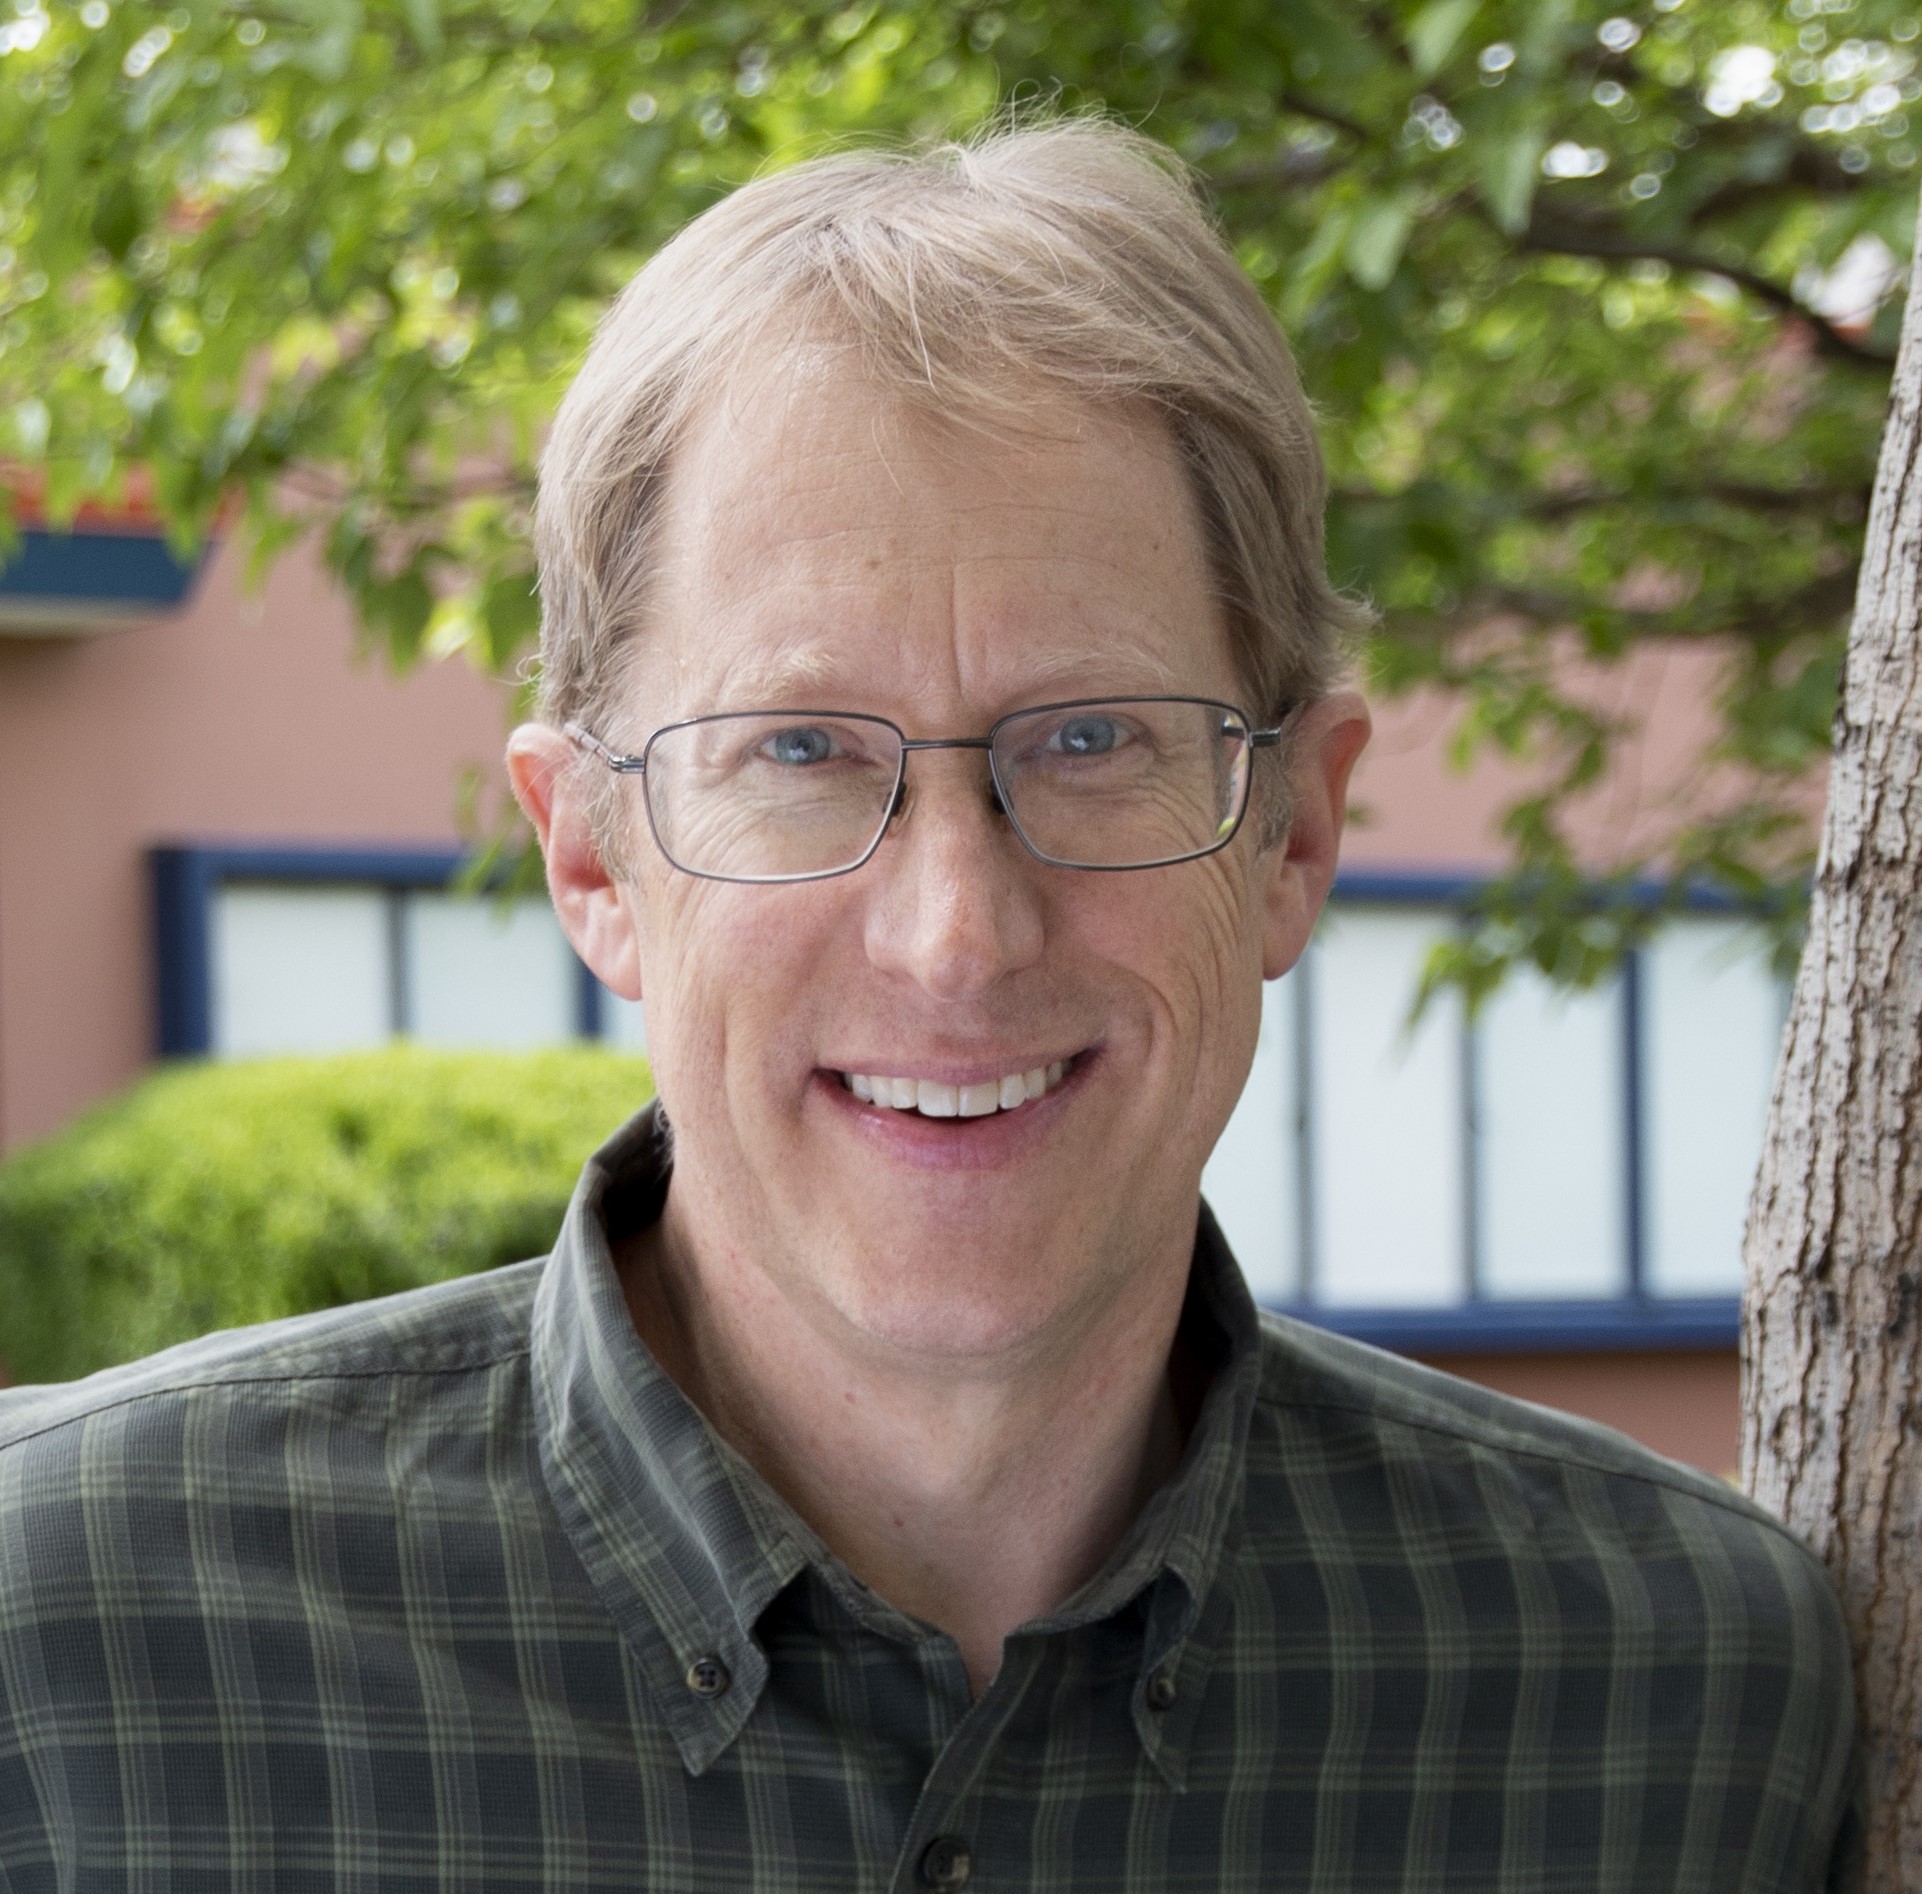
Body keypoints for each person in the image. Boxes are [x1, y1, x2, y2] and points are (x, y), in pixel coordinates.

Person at [0, 121, 1856, 1890]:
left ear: (1292, 831)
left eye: (1091, 738)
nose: (956, 935)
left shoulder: (1680, 1694)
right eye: (798, 748)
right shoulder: (60, 1640)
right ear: (590, 859)